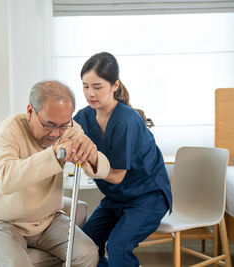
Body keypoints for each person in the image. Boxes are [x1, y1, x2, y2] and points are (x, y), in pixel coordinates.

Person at [0, 80, 111, 267]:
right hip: (5, 222)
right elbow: (4, 181)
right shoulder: (12, 128)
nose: (56, 133)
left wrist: (92, 155)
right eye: (48, 124)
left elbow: (103, 170)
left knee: (88, 252)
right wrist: (54, 155)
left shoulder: (69, 129)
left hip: (48, 220)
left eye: (63, 124)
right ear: (30, 111)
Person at [73, 52, 173, 267]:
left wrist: (88, 159)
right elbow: (63, 138)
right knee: (84, 246)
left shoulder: (126, 120)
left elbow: (117, 177)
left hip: (147, 198)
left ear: (114, 85)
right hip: (115, 199)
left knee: (118, 245)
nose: (90, 93)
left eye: (97, 87)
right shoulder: (83, 117)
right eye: (85, 86)